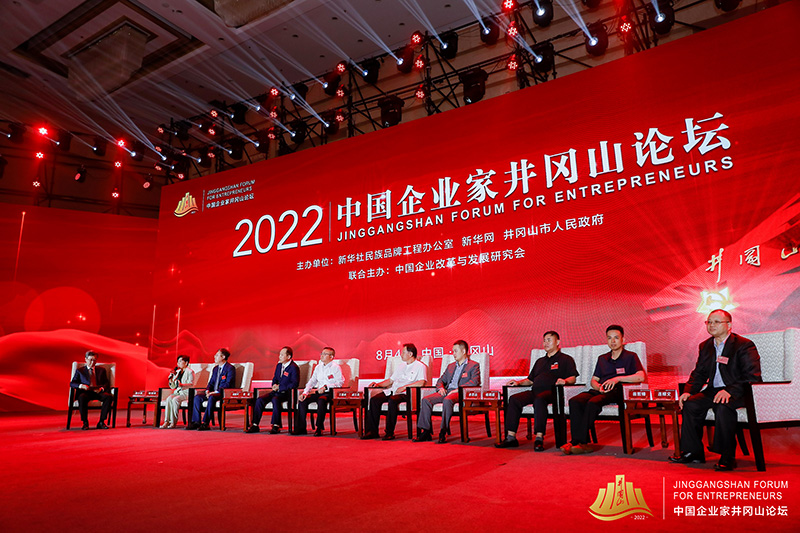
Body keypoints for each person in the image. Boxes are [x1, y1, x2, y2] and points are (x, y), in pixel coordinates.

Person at [669, 309, 761, 471]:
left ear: (729, 325)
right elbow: (699, 373)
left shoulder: (743, 345)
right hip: (713, 390)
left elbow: (752, 376)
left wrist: (730, 391)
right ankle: (693, 452)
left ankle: (727, 456)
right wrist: (688, 391)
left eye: (716, 322)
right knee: (690, 404)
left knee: (723, 406)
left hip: (739, 391)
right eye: (709, 322)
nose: (711, 325)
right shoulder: (705, 346)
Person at [562, 325, 645, 455]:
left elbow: (641, 376)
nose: (613, 341)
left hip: (617, 391)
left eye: (616, 338)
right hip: (600, 390)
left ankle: (578, 442)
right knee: (575, 401)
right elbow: (593, 380)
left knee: (593, 402)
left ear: (623, 340)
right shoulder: (602, 358)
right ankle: (582, 443)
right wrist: (598, 387)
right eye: (609, 338)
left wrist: (617, 379)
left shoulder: (630, 356)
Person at [496, 331, 578, 450]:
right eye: (544, 340)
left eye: (549, 340)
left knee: (539, 400)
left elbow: (573, 378)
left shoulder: (566, 359)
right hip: (535, 391)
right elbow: (530, 380)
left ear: (558, 342)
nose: (546, 343)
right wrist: (518, 383)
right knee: (514, 399)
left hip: (552, 393)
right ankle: (511, 437)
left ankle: (539, 438)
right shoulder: (540, 361)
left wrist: (565, 381)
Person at [414, 340, 480, 444]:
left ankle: (443, 431)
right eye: (453, 351)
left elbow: (474, 382)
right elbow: (441, 380)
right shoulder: (451, 366)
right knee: (426, 400)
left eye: (455, 351)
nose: (453, 354)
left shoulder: (473, 365)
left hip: (460, 392)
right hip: (447, 391)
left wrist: (458, 389)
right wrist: (440, 388)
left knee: (447, 400)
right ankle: (426, 431)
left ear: (463, 351)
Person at [362, 343, 427, 440]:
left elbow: (421, 382)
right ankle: (372, 431)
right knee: (374, 400)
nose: (401, 355)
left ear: (410, 354)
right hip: (393, 391)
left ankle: (389, 432)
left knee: (392, 401)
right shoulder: (401, 366)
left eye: (403, 352)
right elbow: (390, 381)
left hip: (406, 393)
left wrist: (404, 387)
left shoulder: (420, 366)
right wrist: (378, 384)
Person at [292, 347, 344, 436]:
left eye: (325, 354)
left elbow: (340, 383)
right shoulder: (318, 367)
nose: (322, 355)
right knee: (303, 400)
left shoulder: (335, 367)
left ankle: (319, 427)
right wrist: (305, 392)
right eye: (321, 353)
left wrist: (326, 387)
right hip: (319, 392)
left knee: (321, 400)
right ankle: (301, 428)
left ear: (331, 357)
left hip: (330, 393)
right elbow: (312, 381)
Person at [247, 346, 299, 434]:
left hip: (287, 393)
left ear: (288, 356)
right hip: (276, 392)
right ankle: (255, 425)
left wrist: (280, 387)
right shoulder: (279, 365)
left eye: (282, 355)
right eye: (279, 354)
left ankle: (276, 425)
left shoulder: (294, 367)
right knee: (259, 400)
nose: (279, 356)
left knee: (275, 399)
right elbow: (275, 378)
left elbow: (294, 384)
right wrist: (274, 385)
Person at [187, 348, 235, 431]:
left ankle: (205, 423)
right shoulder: (215, 369)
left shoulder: (230, 368)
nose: (214, 357)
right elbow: (211, 383)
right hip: (212, 393)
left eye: (217, 355)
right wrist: (207, 390)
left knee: (212, 398)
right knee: (197, 397)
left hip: (223, 393)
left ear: (223, 357)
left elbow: (228, 384)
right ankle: (196, 422)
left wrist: (215, 392)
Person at [70, 350, 114, 430]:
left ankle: (101, 422)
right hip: (86, 392)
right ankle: (85, 422)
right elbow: (72, 383)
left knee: (108, 397)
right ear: (86, 359)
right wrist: (81, 386)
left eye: (94, 360)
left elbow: (106, 383)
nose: (92, 362)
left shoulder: (101, 370)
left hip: (98, 392)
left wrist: (102, 388)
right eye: (90, 360)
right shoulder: (80, 371)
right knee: (82, 397)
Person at [160, 355, 195, 429]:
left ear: (186, 362)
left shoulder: (190, 372)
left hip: (186, 393)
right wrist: (171, 380)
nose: (178, 363)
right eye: (178, 361)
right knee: (169, 399)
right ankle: (166, 421)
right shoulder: (178, 372)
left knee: (175, 400)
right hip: (178, 392)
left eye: (180, 361)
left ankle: (173, 422)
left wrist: (182, 385)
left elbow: (191, 384)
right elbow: (173, 386)